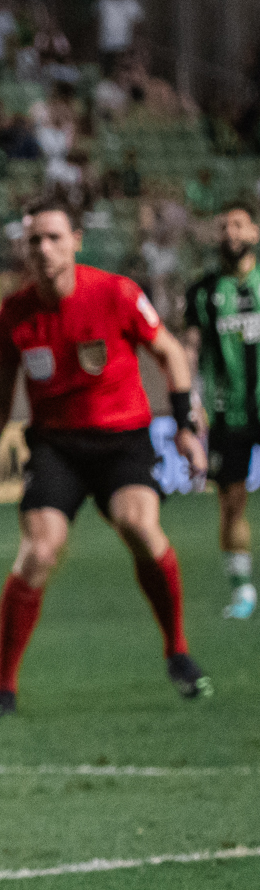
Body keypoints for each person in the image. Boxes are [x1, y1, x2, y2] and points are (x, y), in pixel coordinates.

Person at [0, 195, 210, 716]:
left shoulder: (117, 293)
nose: (44, 249)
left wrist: (187, 424)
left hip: (122, 440)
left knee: (140, 528)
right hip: (57, 446)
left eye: (55, 237)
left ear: (77, 241)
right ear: (24, 248)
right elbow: (0, 394)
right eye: (34, 240)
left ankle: (178, 650)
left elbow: (169, 352)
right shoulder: (14, 315)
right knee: (39, 552)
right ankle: (4, 687)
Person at [181, 204, 260, 620]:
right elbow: (190, 352)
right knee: (231, 502)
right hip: (229, 413)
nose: (230, 231)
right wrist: (191, 399)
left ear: (255, 232)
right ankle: (243, 590)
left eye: (238, 224)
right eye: (223, 225)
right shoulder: (203, 292)